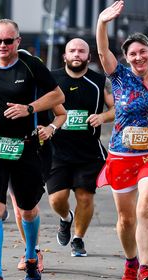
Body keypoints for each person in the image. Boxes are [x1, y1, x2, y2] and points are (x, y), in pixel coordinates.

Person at [0, 18, 65, 280]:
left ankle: (31, 256)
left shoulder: (31, 66)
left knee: (28, 210)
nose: (1, 46)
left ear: (17, 42)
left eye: (7, 41)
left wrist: (29, 109)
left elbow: (57, 96)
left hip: (26, 147)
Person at [96, 0, 148, 280]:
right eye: (133, 54)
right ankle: (130, 261)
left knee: (145, 209)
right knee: (126, 218)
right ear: (126, 58)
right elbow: (103, 51)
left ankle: (144, 267)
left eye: (143, 52)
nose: (139, 57)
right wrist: (102, 23)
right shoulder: (119, 77)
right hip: (121, 154)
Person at [48, 38, 114, 257]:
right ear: (65, 56)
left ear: (89, 56)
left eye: (81, 51)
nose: (77, 54)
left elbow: (117, 108)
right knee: (57, 199)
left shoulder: (99, 81)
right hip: (57, 150)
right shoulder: (52, 79)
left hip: (88, 152)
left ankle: (78, 239)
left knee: (85, 197)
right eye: (72, 51)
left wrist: (103, 116)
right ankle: (66, 219)